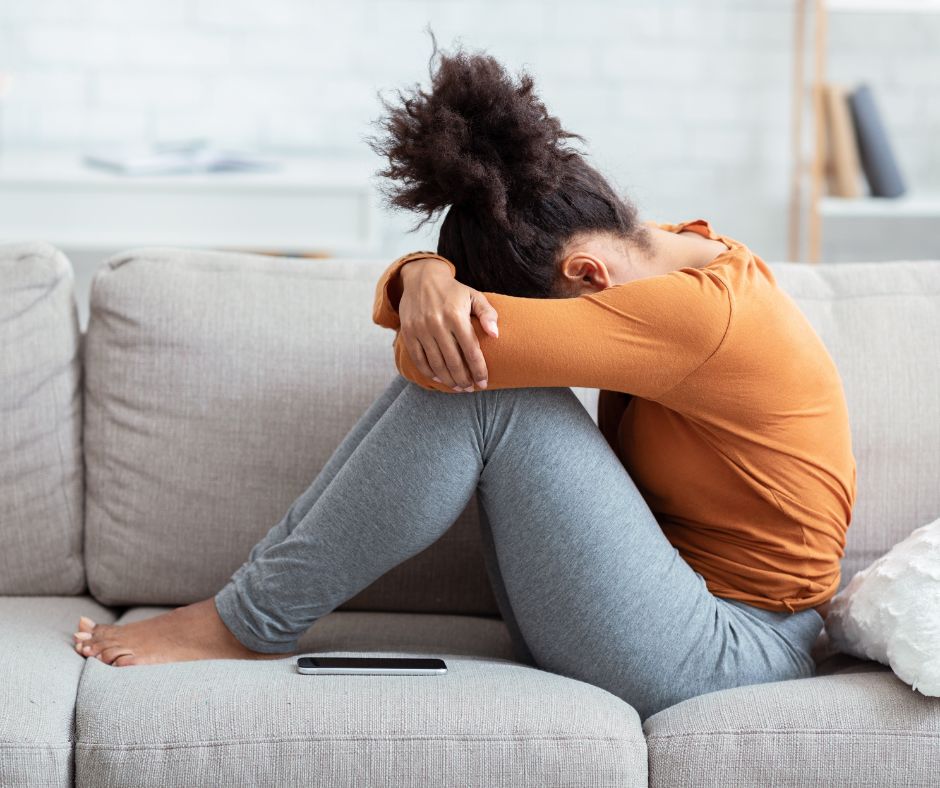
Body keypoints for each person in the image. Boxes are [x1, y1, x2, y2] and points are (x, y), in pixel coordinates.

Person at [73, 39, 856, 721]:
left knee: (485, 388)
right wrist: (427, 271)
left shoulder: (692, 317)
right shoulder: (674, 250)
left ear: (585, 273)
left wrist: (425, 284)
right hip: (655, 604)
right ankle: (249, 612)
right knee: (476, 370)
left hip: (729, 652)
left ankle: (246, 621)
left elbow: (438, 357)